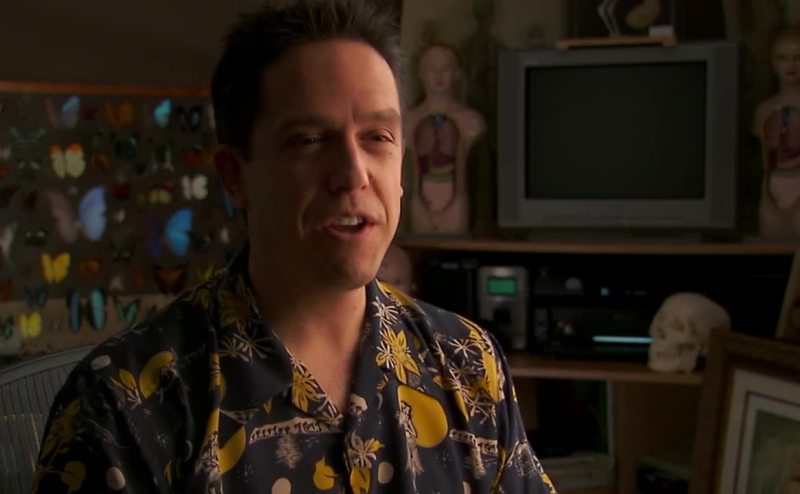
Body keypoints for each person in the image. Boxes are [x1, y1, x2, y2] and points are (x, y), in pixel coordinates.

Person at [32, 1, 556, 492]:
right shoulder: (126, 404)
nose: (353, 174)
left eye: (377, 137)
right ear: (235, 175)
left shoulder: (469, 364)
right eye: (309, 140)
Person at [406, 43, 486, 235]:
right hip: (418, 208)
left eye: (446, 68)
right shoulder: (407, 121)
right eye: (432, 68)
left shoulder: (472, 121)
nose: (439, 75)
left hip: (458, 208)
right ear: (420, 73)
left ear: (457, 73)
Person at [755, 28, 800, 237]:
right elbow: (765, 164)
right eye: (783, 57)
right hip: (774, 193)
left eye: (798, 57)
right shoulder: (764, 110)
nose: (791, 64)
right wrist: (767, 197)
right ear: (773, 63)